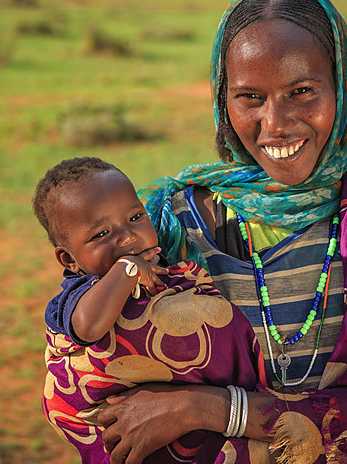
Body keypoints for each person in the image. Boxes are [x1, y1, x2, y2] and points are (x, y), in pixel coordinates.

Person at [44, 0, 347, 464]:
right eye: (250, 97)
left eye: (302, 91)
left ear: (343, 88)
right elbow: (94, 389)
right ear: (221, 100)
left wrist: (204, 408)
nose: (275, 124)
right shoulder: (162, 226)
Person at [33, 157, 266, 463]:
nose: (128, 236)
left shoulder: (168, 268)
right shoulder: (79, 292)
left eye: (135, 217)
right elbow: (88, 328)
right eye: (101, 234)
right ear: (69, 260)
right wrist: (128, 268)